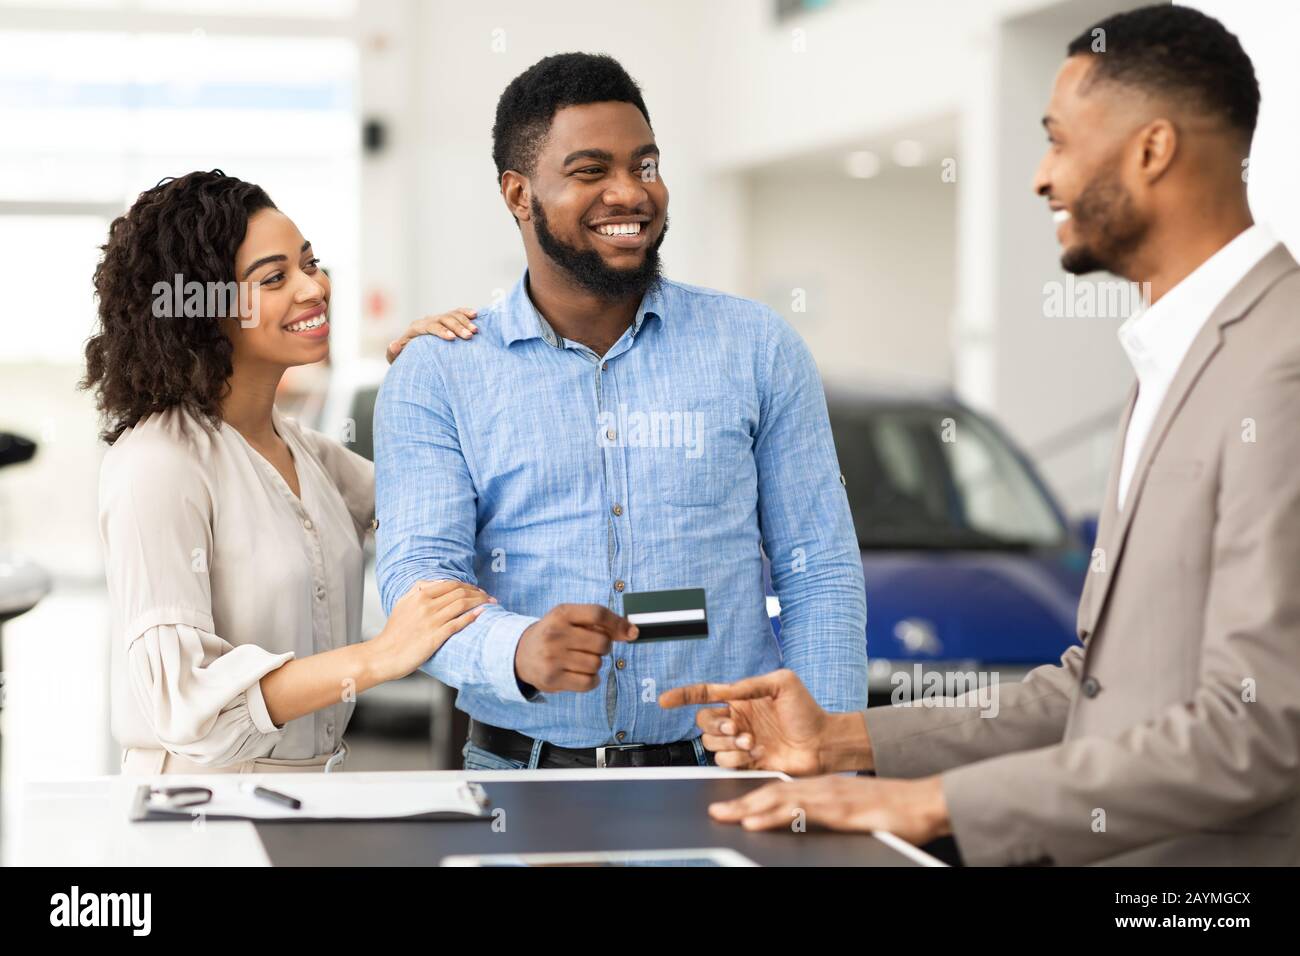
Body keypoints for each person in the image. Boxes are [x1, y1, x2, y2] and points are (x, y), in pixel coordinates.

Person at [662, 4, 1300, 866]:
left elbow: (1257, 726)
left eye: (1060, 141)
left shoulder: (1282, 364)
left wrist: (933, 804)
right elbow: (1095, 691)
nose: (1042, 177)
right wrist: (850, 742)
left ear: (1153, 150)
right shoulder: (1171, 358)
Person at [374, 53, 866, 771]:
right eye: (589, 171)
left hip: (727, 772)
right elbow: (420, 579)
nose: (629, 193)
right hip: (526, 782)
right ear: (518, 194)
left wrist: (827, 751)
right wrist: (514, 646)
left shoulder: (757, 347)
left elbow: (816, 566)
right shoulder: (441, 373)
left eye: (645, 165)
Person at [86, 170, 489, 774]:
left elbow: (450, 508)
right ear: (204, 308)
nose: (314, 287)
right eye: (274, 278)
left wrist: (428, 376)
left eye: (310, 263)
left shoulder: (308, 452)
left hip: (312, 800)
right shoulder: (158, 464)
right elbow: (186, 705)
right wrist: (381, 655)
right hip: (201, 816)